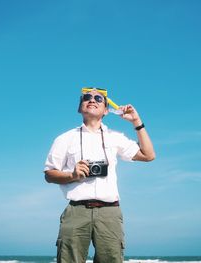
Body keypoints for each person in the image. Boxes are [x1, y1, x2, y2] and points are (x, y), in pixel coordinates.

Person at [44, 87, 155, 263]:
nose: (92, 99)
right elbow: (49, 174)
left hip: (109, 211)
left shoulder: (115, 137)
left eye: (98, 98)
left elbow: (149, 155)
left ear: (106, 110)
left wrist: (136, 122)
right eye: (87, 97)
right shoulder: (64, 138)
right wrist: (72, 175)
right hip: (76, 210)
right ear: (79, 108)